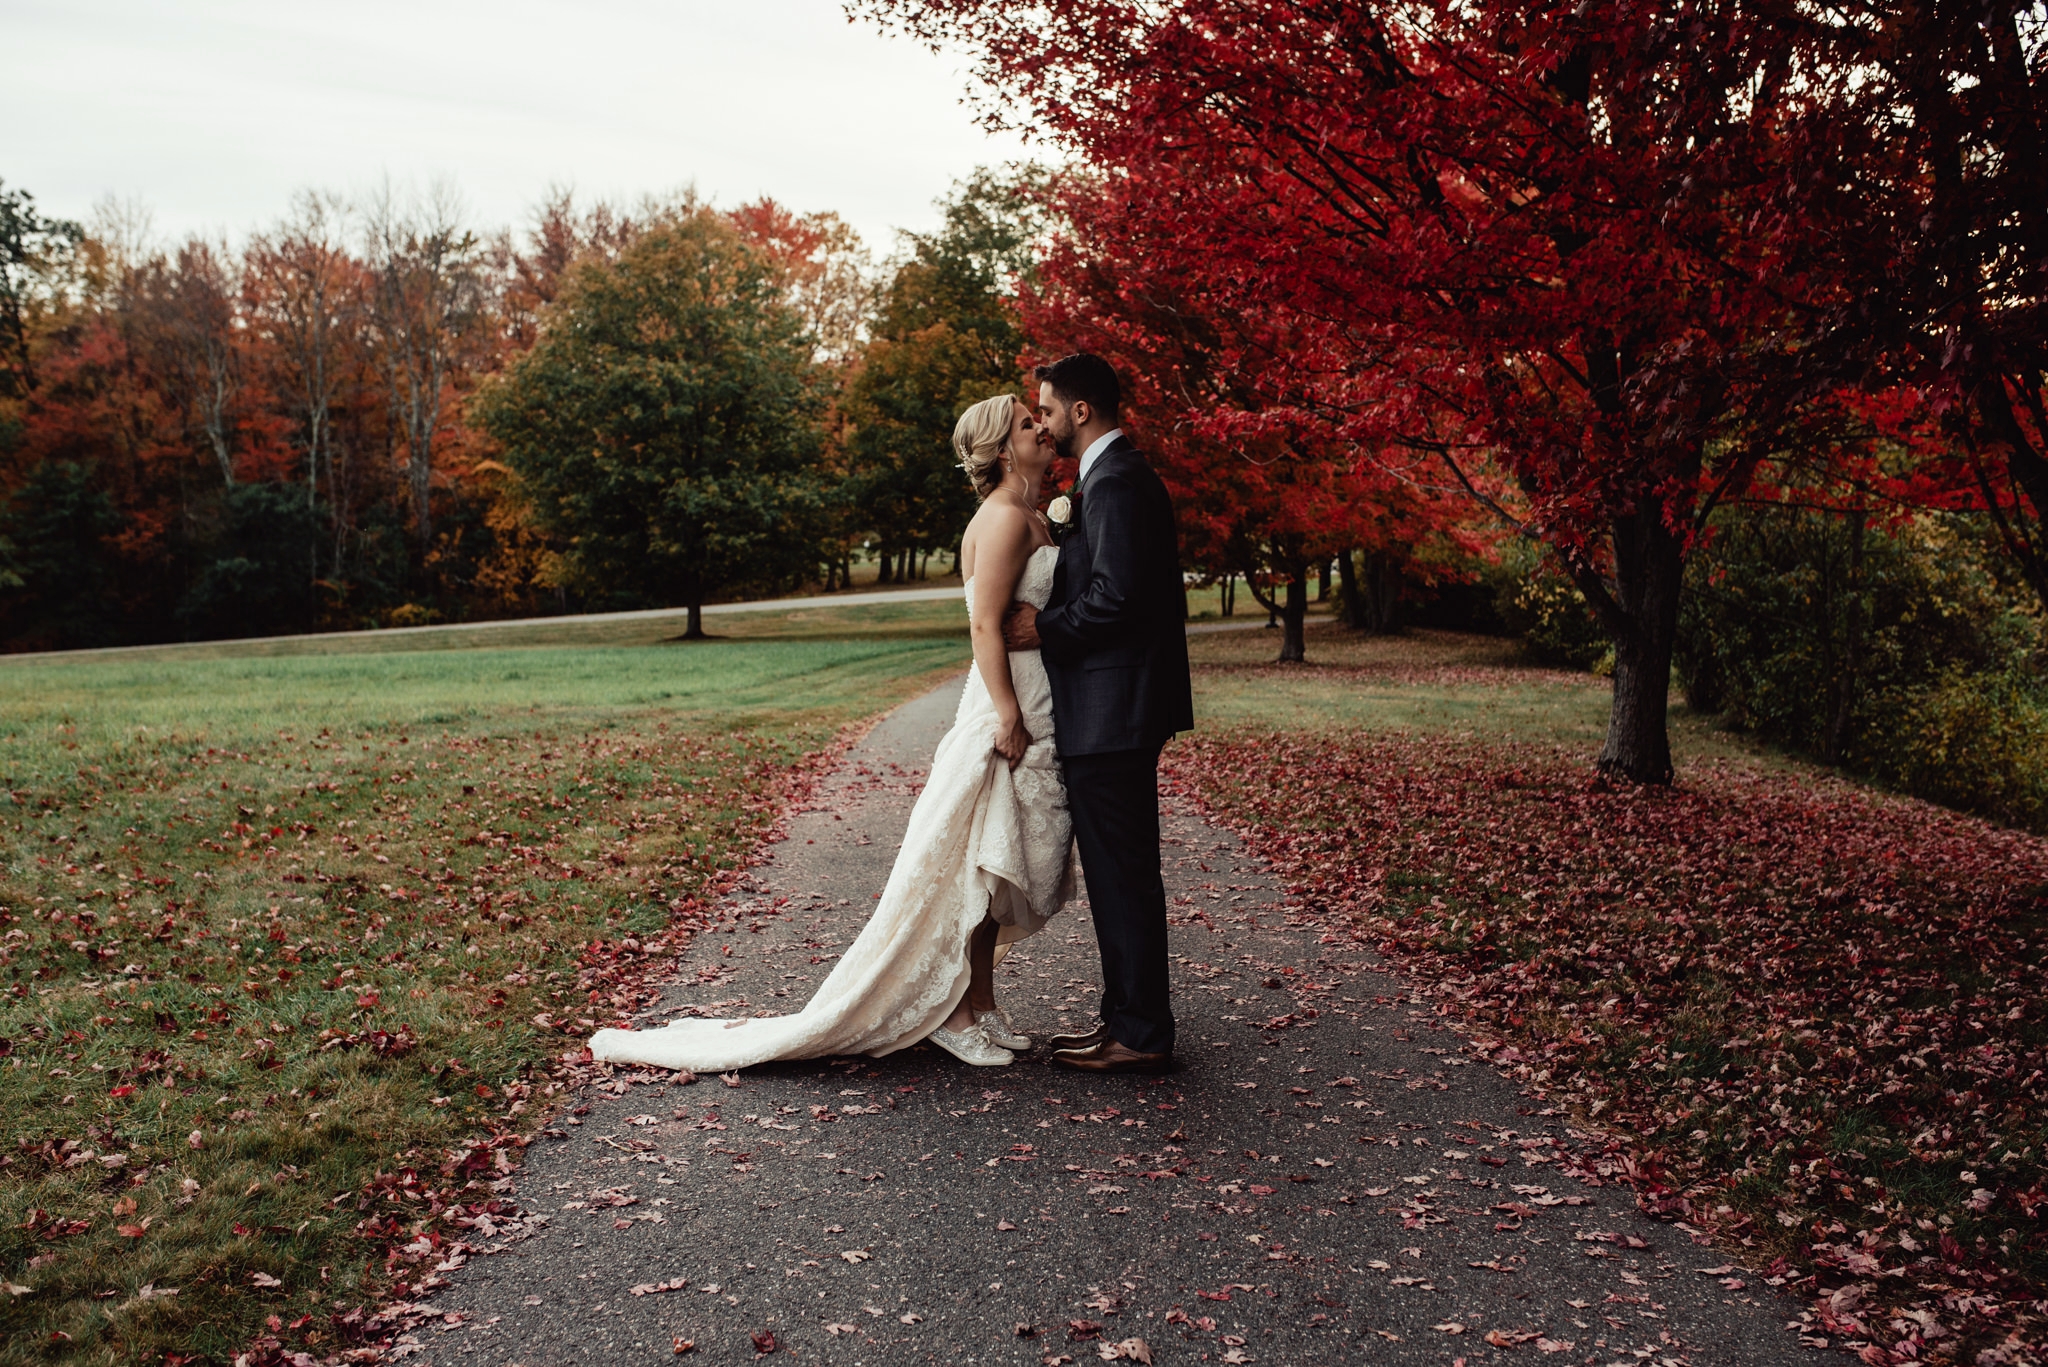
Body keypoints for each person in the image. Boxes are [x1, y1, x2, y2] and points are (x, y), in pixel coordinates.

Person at [589, 393, 1073, 1071]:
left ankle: (983, 1005)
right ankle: (954, 1016)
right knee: (976, 867)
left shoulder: (1029, 513)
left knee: (1001, 866)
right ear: (999, 451)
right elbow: (985, 624)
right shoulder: (1000, 520)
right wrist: (1006, 713)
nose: (1043, 431)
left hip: (1034, 694)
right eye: (1028, 426)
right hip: (1006, 703)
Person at [1002, 353, 1194, 1074]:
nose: (1043, 424)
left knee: (1123, 873)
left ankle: (1141, 1031)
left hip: (1114, 709)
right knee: (1120, 873)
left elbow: (1118, 597)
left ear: (1081, 410)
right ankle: (1125, 1018)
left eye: (1047, 409)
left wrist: (1041, 629)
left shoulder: (1114, 481)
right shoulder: (1109, 479)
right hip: (1111, 708)